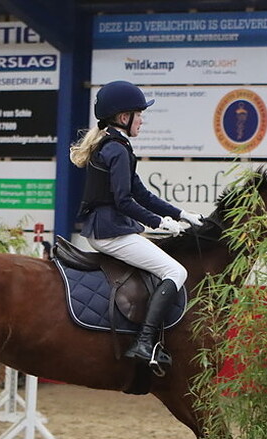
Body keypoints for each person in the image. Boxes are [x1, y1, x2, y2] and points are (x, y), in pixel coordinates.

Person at [69, 80, 204, 373]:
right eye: (139, 114)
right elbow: (124, 200)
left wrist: (181, 214)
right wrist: (159, 223)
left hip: (107, 228)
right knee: (176, 271)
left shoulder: (115, 145)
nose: (142, 119)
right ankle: (144, 343)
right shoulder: (116, 149)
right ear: (123, 117)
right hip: (111, 231)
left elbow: (141, 194)